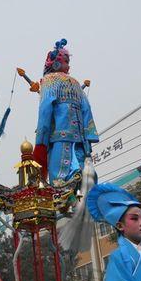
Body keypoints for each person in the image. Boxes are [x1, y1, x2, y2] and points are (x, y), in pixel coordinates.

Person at [32, 39, 99, 186]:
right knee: (85, 178)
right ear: (56, 63)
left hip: (59, 139)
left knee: (59, 181)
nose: (68, 66)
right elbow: (87, 109)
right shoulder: (75, 84)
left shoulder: (49, 81)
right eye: (66, 61)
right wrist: (89, 136)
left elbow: (45, 110)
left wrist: (41, 140)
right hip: (80, 141)